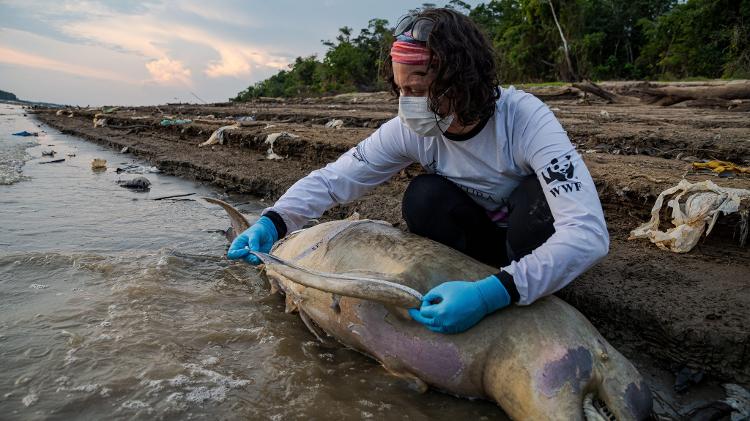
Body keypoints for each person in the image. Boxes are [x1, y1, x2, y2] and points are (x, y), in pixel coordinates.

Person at [227, 8, 609, 334]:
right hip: (479, 242)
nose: (409, 105)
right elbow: (336, 179)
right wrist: (274, 221)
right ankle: (471, 282)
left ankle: (516, 285)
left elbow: (587, 234)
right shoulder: (411, 130)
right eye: (401, 91)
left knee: (537, 199)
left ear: (463, 80)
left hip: (527, 239)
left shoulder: (525, 120)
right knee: (424, 196)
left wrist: (493, 293)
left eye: (420, 89)